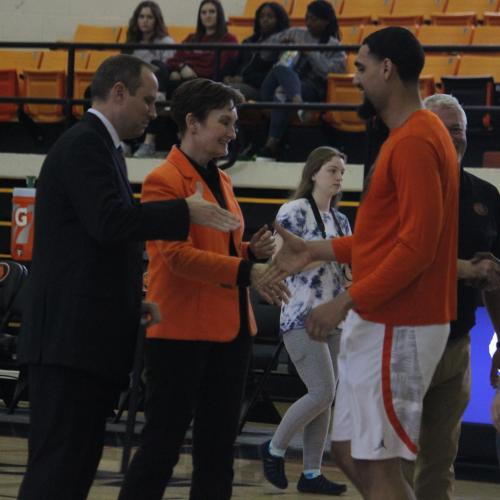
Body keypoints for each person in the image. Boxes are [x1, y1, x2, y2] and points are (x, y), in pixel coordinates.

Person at [16, 55, 241, 500]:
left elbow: (94, 244)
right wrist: (183, 211)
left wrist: (125, 299)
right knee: (58, 468)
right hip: (68, 342)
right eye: (147, 100)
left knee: (74, 467)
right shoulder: (84, 144)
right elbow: (109, 222)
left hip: (84, 336)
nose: (154, 112)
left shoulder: (101, 148)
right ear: (118, 93)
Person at [260, 27, 460, 500]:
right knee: (348, 450)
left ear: (387, 69)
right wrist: (313, 251)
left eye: (362, 67)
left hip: (403, 319)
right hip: (388, 318)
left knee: (377, 463)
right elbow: (379, 240)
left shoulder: (414, 140)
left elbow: (416, 249)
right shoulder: (406, 137)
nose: (355, 78)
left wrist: (343, 302)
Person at [118, 78, 283, 500]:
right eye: (224, 121)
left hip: (230, 331)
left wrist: (250, 249)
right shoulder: (163, 179)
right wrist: (248, 270)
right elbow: (176, 257)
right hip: (180, 333)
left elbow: (219, 247)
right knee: (162, 446)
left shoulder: (221, 181)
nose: (233, 131)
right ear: (192, 122)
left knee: (217, 449)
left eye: (234, 122)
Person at [400, 93, 500, 500]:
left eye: (456, 129)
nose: (449, 137)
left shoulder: (487, 196)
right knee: (396, 460)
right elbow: (399, 263)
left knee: (441, 461)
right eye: (439, 128)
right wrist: (465, 270)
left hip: (457, 344)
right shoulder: (399, 187)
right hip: (404, 343)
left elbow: (495, 277)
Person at [260, 146, 350, 496]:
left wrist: (349, 273)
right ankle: (273, 448)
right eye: (332, 170)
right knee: (322, 390)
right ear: (313, 173)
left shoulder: (342, 221)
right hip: (300, 313)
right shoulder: (293, 211)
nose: (339, 177)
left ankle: (312, 473)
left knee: (327, 396)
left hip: (334, 316)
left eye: (342, 172)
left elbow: (342, 272)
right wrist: (324, 255)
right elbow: (285, 263)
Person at [259, 0, 346, 159]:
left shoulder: (334, 45)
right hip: (275, 82)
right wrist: (279, 43)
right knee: (280, 68)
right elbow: (263, 53)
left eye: (313, 19)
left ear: (325, 22)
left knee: (282, 91)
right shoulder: (295, 33)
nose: (308, 23)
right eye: (307, 18)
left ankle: (270, 145)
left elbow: (332, 72)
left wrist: (308, 51)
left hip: (311, 88)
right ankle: (298, 103)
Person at [125, 1, 175, 158]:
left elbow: (169, 69)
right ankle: (123, 142)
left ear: (156, 20)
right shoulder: (131, 44)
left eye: (149, 17)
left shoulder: (166, 42)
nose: (145, 21)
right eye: (141, 16)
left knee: (156, 65)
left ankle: (149, 143)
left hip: (158, 85)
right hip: (134, 85)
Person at [222, 1, 290, 101]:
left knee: (227, 91)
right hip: (236, 83)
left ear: (279, 20)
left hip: (259, 89)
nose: (265, 19)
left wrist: (244, 79)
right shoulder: (249, 41)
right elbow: (234, 62)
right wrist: (226, 75)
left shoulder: (283, 45)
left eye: (270, 16)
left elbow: (273, 76)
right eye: (261, 16)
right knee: (214, 88)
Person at [167, 0, 237, 90]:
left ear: (219, 14)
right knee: (173, 75)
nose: (207, 16)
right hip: (185, 80)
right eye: (203, 12)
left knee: (176, 76)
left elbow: (213, 68)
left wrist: (190, 68)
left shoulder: (229, 39)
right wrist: (182, 67)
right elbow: (172, 60)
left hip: (209, 84)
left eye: (212, 12)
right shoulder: (191, 38)